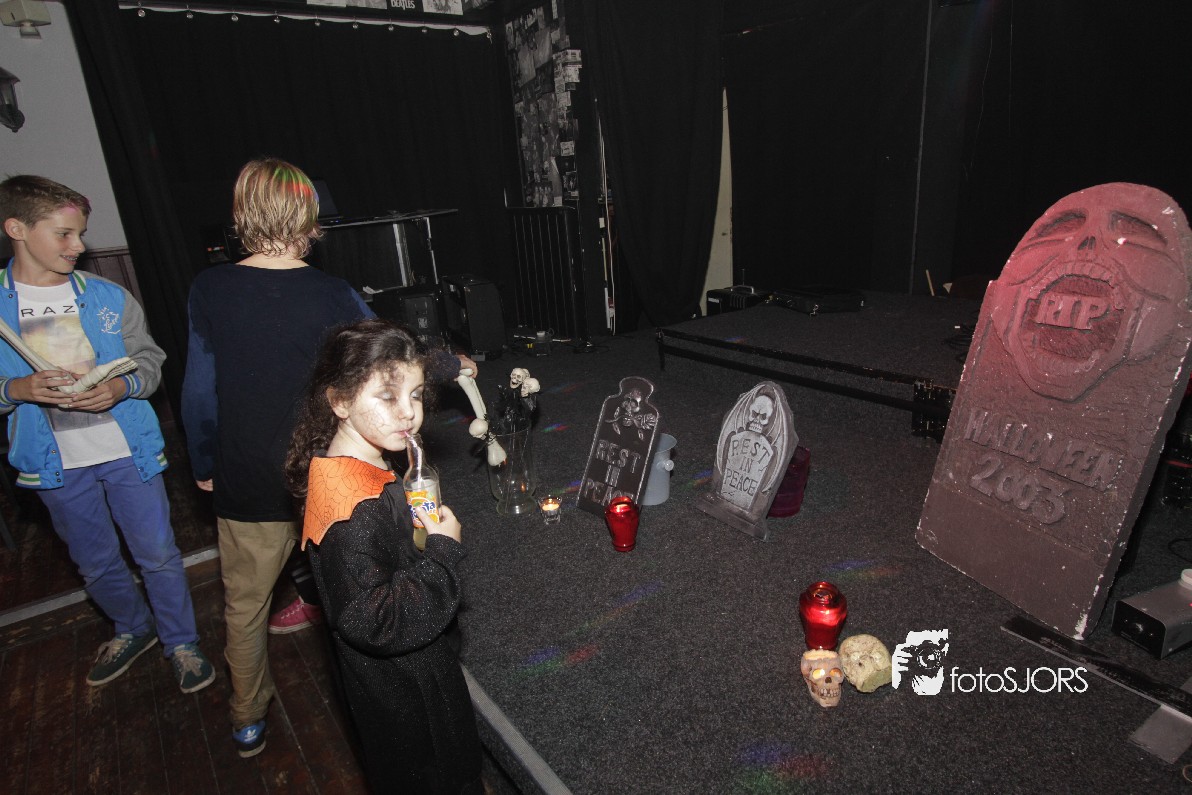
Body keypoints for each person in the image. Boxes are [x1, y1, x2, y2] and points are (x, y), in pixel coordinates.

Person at [181, 158, 373, 757]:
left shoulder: (210, 288)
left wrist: (204, 461)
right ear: (310, 217)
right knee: (356, 595)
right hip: (325, 474)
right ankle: (374, 709)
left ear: (241, 214)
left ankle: (247, 718)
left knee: (246, 606)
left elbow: (199, 390)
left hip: (247, 473)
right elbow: (380, 364)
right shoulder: (334, 293)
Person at [0, 175, 215, 693]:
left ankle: (182, 643)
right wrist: (17, 389)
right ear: (17, 229)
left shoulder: (106, 296)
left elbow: (150, 361)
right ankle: (133, 628)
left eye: (80, 233)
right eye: (64, 234)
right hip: (54, 462)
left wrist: (121, 387)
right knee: (95, 563)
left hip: (127, 451)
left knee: (157, 554)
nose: (78, 245)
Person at [284, 318, 482, 793]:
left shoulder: (359, 464)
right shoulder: (353, 508)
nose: (408, 413)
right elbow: (374, 620)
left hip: (403, 678)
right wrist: (441, 550)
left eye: (415, 395)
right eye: (387, 397)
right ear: (339, 401)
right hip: (409, 694)